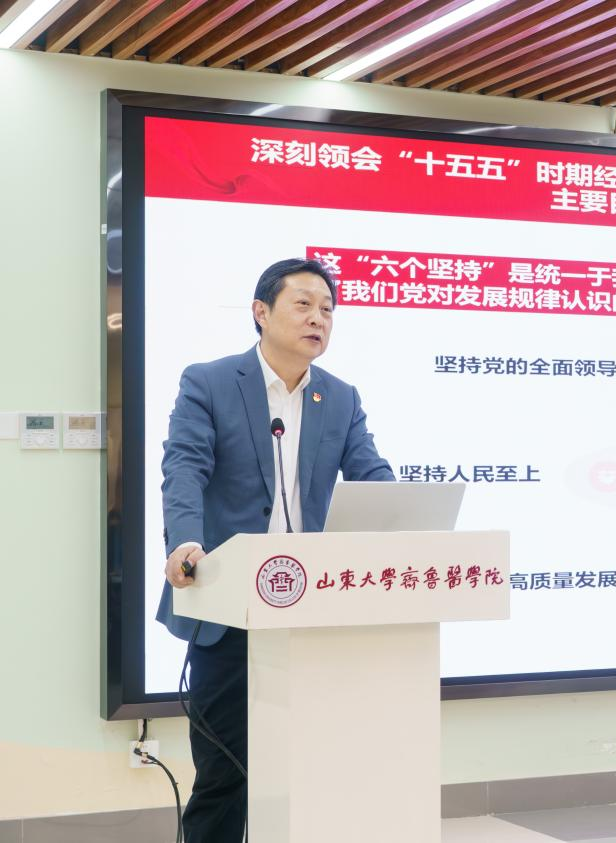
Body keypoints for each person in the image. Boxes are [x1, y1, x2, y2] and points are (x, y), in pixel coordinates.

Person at [156, 257, 395, 842]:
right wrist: (185, 540)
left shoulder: (340, 398)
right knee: (224, 774)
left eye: (328, 310)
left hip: (311, 608)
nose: (319, 319)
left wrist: (405, 512)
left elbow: (371, 474)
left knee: (309, 768)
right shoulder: (209, 382)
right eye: (304, 304)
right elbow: (184, 468)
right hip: (229, 605)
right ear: (261, 312)